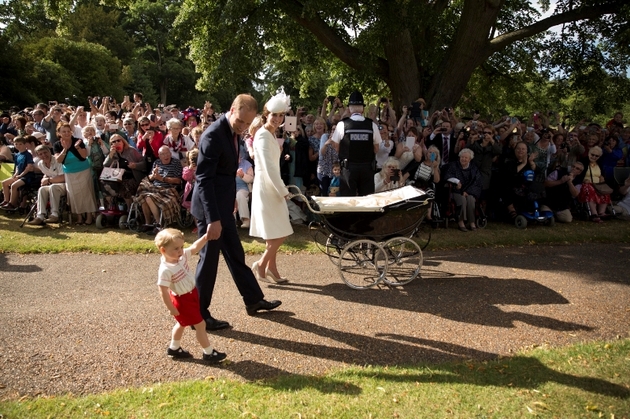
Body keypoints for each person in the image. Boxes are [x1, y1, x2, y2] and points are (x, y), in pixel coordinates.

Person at [191, 94, 281, 331]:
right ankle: (198, 315)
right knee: (208, 262)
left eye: (246, 124)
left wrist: (229, 203)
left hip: (222, 206)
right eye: (240, 121)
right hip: (210, 211)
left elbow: (226, 174)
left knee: (235, 254)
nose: (242, 128)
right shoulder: (212, 136)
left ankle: (253, 300)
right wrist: (213, 220)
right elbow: (204, 180)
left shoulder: (232, 133)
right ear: (232, 109)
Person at [155, 228, 227, 363]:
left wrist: (205, 237)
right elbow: (163, 290)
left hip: (191, 295)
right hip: (182, 300)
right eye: (176, 248)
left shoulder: (180, 257)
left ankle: (174, 348)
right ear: (163, 250)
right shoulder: (166, 270)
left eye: (181, 247)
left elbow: (194, 248)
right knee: (200, 325)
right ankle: (208, 352)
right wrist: (171, 308)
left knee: (181, 324)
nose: (180, 251)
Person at [250, 91, 294, 284]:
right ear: (266, 114)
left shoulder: (269, 134)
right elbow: (269, 169)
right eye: (274, 115)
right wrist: (283, 191)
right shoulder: (263, 135)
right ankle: (260, 265)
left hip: (270, 186)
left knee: (275, 233)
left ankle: (272, 269)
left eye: (281, 115)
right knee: (281, 231)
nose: (277, 119)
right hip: (268, 187)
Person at [330, 91, 382, 196]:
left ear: (349, 108)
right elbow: (376, 148)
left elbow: (335, 145)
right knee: (367, 200)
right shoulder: (371, 125)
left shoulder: (342, 125)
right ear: (362, 109)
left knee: (348, 201)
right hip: (367, 168)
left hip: (348, 169)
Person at [53, 122, 98, 225]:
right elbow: (59, 160)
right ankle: (79, 217)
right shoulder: (57, 145)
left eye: (68, 131)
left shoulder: (78, 141)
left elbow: (84, 155)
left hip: (83, 170)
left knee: (86, 193)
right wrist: (64, 149)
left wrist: (77, 147)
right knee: (74, 195)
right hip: (69, 173)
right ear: (59, 133)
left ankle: (89, 217)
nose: (67, 133)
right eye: (64, 131)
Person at [27, 145, 66, 225]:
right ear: (38, 156)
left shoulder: (57, 161)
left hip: (64, 185)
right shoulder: (40, 164)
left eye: (45, 152)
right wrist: (44, 179)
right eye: (40, 154)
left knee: (53, 187)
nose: (44, 155)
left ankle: (54, 215)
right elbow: (47, 174)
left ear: (49, 151)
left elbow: (63, 177)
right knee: (42, 189)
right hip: (52, 185)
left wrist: (48, 180)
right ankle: (40, 216)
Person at [446, 148, 483, 231]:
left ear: (470, 159)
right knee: (462, 200)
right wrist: (456, 181)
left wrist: (467, 191)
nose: (463, 159)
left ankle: (471, 222)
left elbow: (477, 183)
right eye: (462, 157)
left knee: (470, 199)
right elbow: (447, 176)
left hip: (469, 191)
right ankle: (461, 221)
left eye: (466, 158)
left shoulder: (474, 169)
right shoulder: (454, 165)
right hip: (456, 191)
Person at [578, 145, 611, 223]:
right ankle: (594, 214)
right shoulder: (583, 162)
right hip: (585, 184)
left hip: (598, 185)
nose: (594, 157)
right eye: (592, 154)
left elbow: (602, 174)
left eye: (597, 156)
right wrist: (583, 180)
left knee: (605, 190)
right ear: (589, 153)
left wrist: (602, 177)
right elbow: (578, 175)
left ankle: (601, 212)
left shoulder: (599, 163)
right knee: (590, 189)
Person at [1, 136, 34, 211]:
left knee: (14, 185)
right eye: (16, 144)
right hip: (19, 175)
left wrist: (20, 176)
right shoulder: (17, 155)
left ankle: (12, 204)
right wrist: (15, 175)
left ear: (25, 145)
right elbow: (17, 167)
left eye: (20, 144)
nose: (18, 146)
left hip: (27, 176)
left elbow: (28, 168)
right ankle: (6, 201)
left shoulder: (27, 154)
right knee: (4, 183)